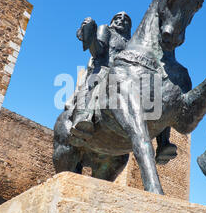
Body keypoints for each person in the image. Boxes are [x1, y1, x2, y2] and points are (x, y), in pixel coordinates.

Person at [70, 12, 177, 162]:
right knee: (97, 80)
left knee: (157, 94)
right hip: (105, 69)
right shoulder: (106, 30)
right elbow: (98, 50)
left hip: (128, 76)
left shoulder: (133, 43)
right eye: (118, 18)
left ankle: (163, 143)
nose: (121, 20)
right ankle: (83, 118)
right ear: (112, 21)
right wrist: (91, 35)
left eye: (126, 20)